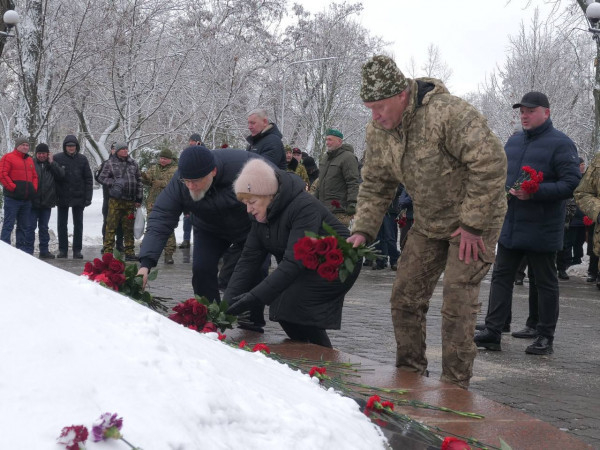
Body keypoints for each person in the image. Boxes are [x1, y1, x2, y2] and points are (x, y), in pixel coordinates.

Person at [348, 55, 507, 388]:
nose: (374, 115)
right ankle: (410, 376)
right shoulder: (379, 130)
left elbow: (490, 162)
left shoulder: (449, 113)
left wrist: (473, 223)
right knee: (404, 295)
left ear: (402, 95)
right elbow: (377, 183)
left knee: (457, 299)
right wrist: (362, 229)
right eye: (369, 108)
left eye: (379, 106)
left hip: (474, 222)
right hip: (429, 220)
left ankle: (455, 386)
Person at [475, 91, 580, 356]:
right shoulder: (513, 141)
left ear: (546, 112)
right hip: (511, 223)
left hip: (543, 226)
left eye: (530, 111)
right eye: (521, 111)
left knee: (544, 281)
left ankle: (544, 335)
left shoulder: (561, 144)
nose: (524, 115)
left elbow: (571, 184)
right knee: (500, 276)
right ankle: (493, 331)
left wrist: (536, 192)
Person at [225, 158, 361, 347]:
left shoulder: (303, 206)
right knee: (282, 308)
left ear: (268, 194)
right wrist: (225, 306)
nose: (249, 209)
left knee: (293, 305)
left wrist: (255, 296)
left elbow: (293, 261)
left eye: (252, 202)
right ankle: (303, 352)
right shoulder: (260, 216)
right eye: (245, 203)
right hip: (305, 263)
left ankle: (324, 359)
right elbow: (248, 260)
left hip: (336, 261)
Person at [137, 146, 266, 329]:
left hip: (249, 227)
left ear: (213, 171)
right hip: (208, 228)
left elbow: (278, 189)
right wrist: (145, 264)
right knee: (202, 268)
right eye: (186, 181)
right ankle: (209, 318)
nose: (190, 186)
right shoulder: (179, 182)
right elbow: (161, 218)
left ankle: (250, 318)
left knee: (254, 269)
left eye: (196, 181)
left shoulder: (245, 167)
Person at [97, 142, 143, 260]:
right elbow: (101, 177)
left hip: (130, 201)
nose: (125, 151)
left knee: (128, 228)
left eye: (126, 149)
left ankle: (129, 252)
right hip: (115, 201)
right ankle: (108, 252)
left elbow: (139, 181)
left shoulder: (133, 163)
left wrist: (139, 197)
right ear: (117, 151)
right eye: (122, 149)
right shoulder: (110, 163)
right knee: (111, 227)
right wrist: (113, 183)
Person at [53, 135, 94, 259]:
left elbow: (88, 179)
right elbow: (53, 178)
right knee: (61, 224)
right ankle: (63, 250)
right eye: (69, 146)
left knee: (78, 224)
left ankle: (77, 250)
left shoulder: (82, 159)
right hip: (62, 196)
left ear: (76, 146)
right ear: (65, 147)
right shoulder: (57, 158)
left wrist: (88, 197)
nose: (71, 148)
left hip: (78, 196)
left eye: (73, 146)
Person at [313, 129, 360, 228]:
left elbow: (353, 182)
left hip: (339, 210)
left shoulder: (348, 158)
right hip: (323, 208)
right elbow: (320, 183)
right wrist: (314, 200)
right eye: (326, 140)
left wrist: (352, 203)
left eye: (330, 140)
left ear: (339, 141)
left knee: (337, 240)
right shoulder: (326, 158)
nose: (327, 143)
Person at [0, 136, 38, 254]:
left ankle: (20, 253)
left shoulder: (29, 160)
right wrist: (13, 188)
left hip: (26, 200)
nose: (25, 147)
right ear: (17, 146)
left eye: (27, 145)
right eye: (23, 145)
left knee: (23, 227)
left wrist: (33, 189)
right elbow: (2, 174)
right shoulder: (8, 157)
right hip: (12, 199)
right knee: (8, 225)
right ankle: (4, 251)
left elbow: (34, 177)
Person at [141, 148, 178, 264]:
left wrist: (161, 183)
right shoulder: (153, 168)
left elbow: (177, 183)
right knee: (151, 228)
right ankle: (147, 253)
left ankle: (169, 254)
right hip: (153, 203)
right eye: (161, 158)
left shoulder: (176, 170)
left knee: (168, 229)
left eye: (165, 158)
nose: (162, 160)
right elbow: (148, 181)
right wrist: (144, 178)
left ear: (170, 159)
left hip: (169, 203)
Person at [29, 143, 65, 259]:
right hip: (33, 201)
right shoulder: (31, 164)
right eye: (39, 153)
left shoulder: (51, 165)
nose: (41, 156)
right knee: (31, 227)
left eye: (44, 153)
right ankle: (28, 250)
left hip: (47, 202)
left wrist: (52, 162)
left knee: (44, 227)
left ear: (47, 154)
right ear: (36, 154)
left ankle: (44, 250)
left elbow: (61, 175)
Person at [95, 142, 123, 254]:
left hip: (122, 199)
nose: (115, 151)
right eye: (113, 149)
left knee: (121, 223)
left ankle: (120, 244)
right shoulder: (106, 163)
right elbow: (99, 178)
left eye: (118, 149)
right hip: (109, 199)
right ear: (111, 150)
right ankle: (106, 244)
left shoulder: (127, 164)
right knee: (107, 223)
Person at [180, 133, 203, 249]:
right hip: (189, 193)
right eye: (190, 141)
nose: (191, 143)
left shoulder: (204, 154)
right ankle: (186, 239)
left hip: (202, 194)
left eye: (193, 141)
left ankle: (201, 242)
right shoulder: (187, 154)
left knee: (201, 222)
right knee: (187, 219)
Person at [372, 184, 402, 271]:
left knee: (390, 237)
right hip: (377, 209)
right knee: (377, 237)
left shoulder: (395, 172)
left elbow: (400, 188)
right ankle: (379, 261)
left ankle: (394, 261)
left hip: (390, 209)